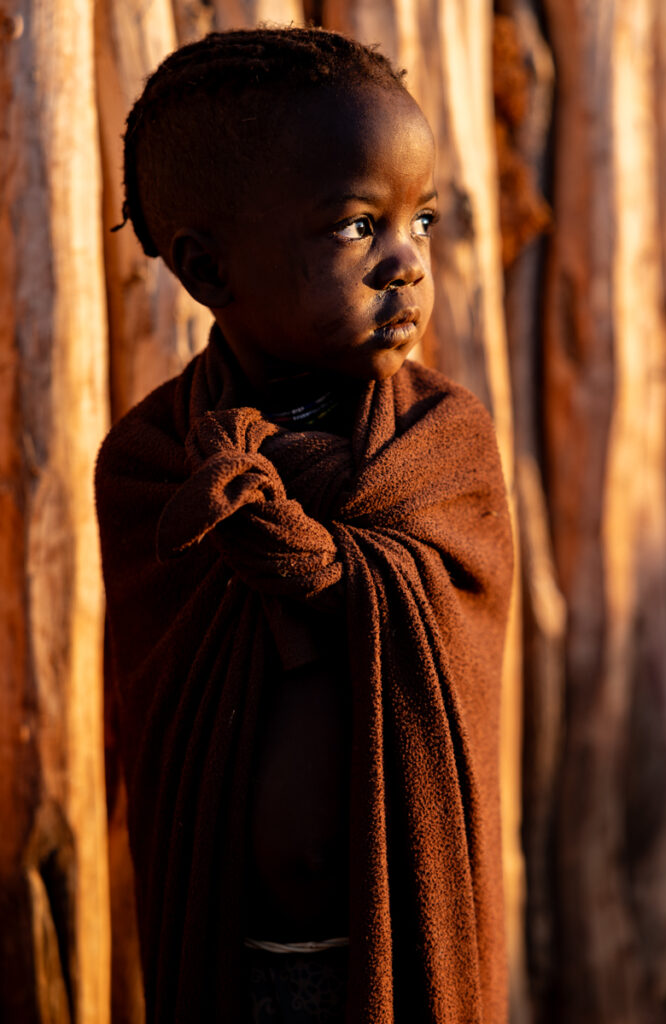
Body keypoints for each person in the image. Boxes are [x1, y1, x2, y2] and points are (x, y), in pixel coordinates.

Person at [95, 26, 514, 1024]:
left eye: (423, 219)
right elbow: (168, 719)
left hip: (400, 950)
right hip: (235, 958)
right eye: (356, 227)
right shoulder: (162, 470)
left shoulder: (439, 446)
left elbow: (456, 658)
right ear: (206, 269)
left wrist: (324, 562)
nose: (405, 263)